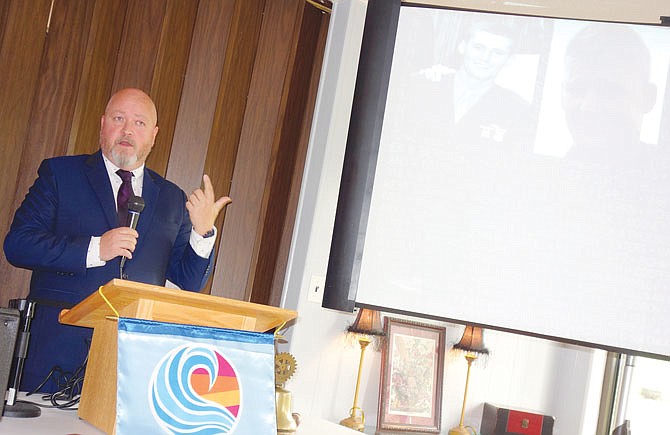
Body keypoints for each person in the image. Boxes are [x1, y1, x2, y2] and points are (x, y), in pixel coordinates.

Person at [3, 88, 232, 393]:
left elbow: (187, 283)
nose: (127, 130)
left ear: (153, 135)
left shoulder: (171, 199)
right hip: (54, 353)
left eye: (139, 123)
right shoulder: (60, 174)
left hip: (129, 367)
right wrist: (95, 248)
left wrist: (202, 233)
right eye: (118, 118)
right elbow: (18, 245)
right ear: (102, 123)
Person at [404, 16, 534, 150]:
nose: (485, 58)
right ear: (462, 47)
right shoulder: (421, 86)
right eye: (478, 47)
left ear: (509, 60)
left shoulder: (517, 110)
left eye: (497, 53)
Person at [561, 23, 658, 167]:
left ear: (648, 98)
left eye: (608, 90)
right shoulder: (541, 175)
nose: (588, 107)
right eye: (577, 89)